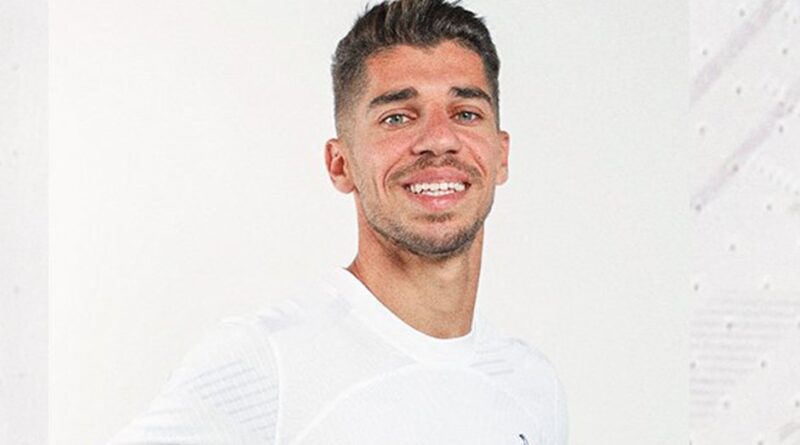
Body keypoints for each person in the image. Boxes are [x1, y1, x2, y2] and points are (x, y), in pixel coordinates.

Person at [107, 1, 567, 444]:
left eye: (466, 113)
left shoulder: (531, 384)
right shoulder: (265, 363)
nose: (439, 139)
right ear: (340, 164)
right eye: (397, 117)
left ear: (501, 155)